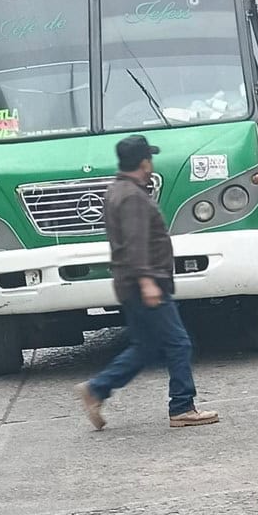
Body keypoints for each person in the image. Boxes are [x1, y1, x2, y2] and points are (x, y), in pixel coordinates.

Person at [76, 135, 219, 430]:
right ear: (144, 162)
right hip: (145, 281)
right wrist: (148, 281)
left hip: (129, 282)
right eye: (149, 159)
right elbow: (136, 242)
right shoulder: (133, 197)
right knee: (178, 343)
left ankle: (97, 389)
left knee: (146, 347)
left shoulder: (117, 190)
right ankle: (182, 406)